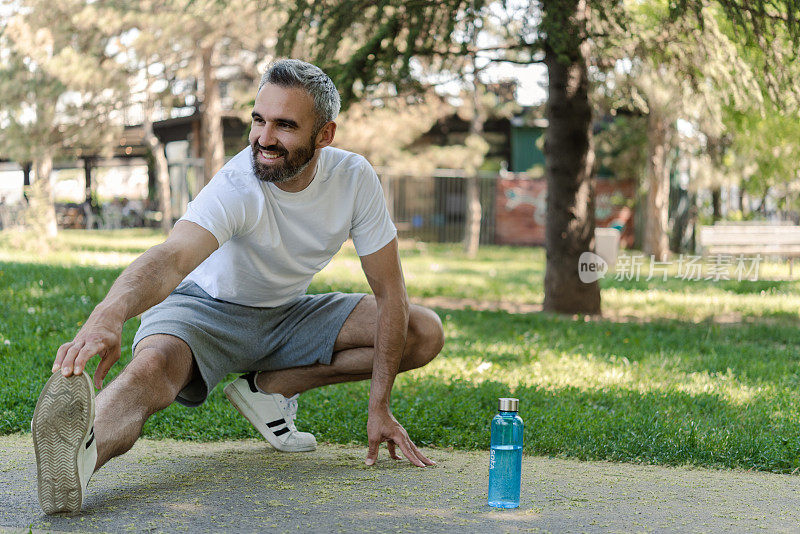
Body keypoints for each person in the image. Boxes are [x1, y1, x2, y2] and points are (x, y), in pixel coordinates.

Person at [31, 59, 444, 515]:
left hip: (285, 314)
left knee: (422, 330)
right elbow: (170, 259)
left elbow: (391, 293)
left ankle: (269, 388)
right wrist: (108, 313)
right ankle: (76, 460)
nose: (264, 139)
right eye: (258, 120)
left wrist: (379, 403)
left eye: (285, 125)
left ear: (325, 135)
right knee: (150, 373)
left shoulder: (354, 178)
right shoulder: (238, 184)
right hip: (202, 311)